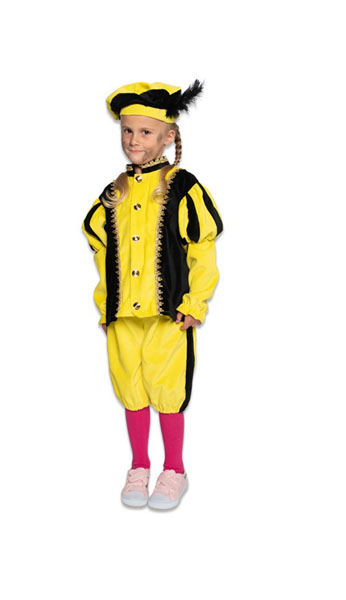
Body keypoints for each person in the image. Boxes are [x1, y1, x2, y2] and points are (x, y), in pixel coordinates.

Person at [81, 80, 223, 510]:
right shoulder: (115, 192)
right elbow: (102, 251)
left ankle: (174, 469)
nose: (133, 140)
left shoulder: (182, 186)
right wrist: (105, 305)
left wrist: (195, 303)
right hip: (124, 314)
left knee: (168, 390)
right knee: (131, 387)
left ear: (168, 136)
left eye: (145, 132)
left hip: (169, 313)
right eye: (127, 131)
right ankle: (139, 465)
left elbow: (202, 248)